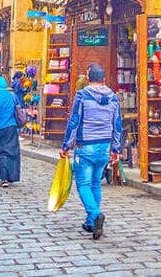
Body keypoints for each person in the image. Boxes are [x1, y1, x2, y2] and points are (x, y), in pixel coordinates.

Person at [61, 64, 123, 240]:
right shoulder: (113, 98)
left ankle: (95, 214)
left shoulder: (82, 95)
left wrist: (66, 145)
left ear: (88, 79)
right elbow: (117, 124)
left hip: (85, 146)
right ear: (103, 79)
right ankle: (90, 222)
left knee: (83, 184)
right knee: (96, 183)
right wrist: (115, 148)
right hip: (104, 146)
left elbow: (74, 121)